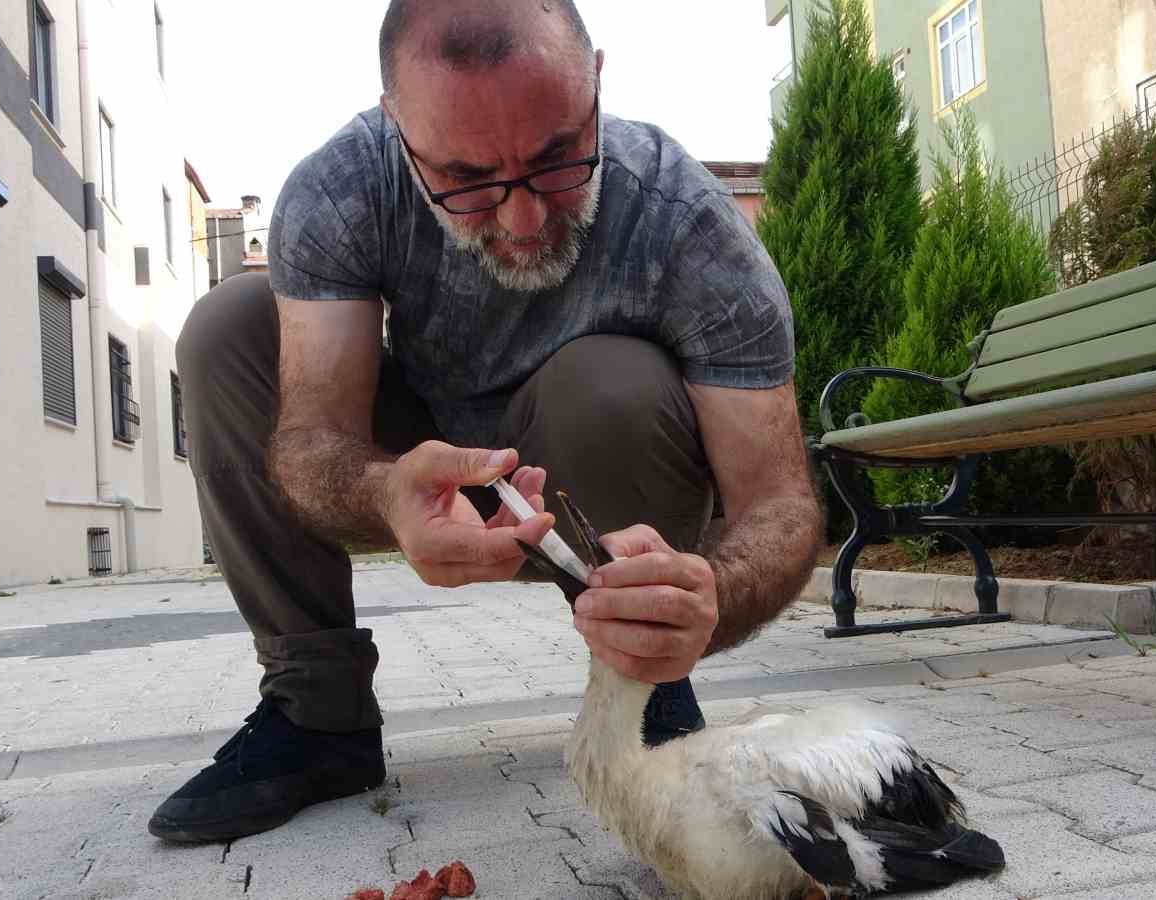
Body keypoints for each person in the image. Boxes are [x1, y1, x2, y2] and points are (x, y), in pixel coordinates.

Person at [148, 0, 821, 843]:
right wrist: (388, 488)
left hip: (597, 478)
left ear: (596, 86)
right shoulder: (342, 188)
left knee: (613, 379)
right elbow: (313, 433)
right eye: (466, 180)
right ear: (397, 125)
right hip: (420, 459)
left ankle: (646, 678)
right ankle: (318, 714)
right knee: (227, 327)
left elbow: (782, 505)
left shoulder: (687, 224)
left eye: (559, 159)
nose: (523, 219)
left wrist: (708, 599)